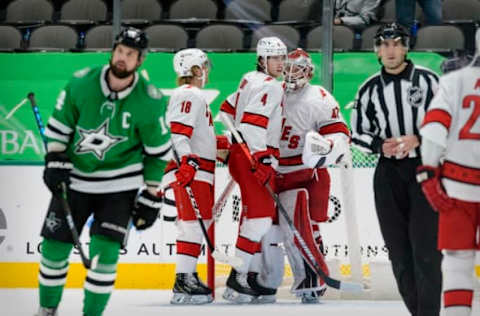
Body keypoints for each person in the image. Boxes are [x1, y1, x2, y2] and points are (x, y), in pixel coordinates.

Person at [37, 27, 170, 316]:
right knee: (53, 250)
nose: (123, 58)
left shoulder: (150, 99)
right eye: (120, 51)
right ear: (113, 52)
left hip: (118, 186)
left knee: (105, 255)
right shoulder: (81, 83)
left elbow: (158, 154)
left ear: (140, 60)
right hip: (75, 180)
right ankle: (47, 310)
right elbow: (59, 128)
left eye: (130, 54)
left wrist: (151, 194)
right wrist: (55, 158)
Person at [350, 22, 442, 316]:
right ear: (377, 50)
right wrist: (379, 145)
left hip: (424, 170)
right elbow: (358, 133)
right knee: (399, 254)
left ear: (405, 47)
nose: (390, 50)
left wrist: (421, 138)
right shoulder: (369, 89)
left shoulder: (429, 82)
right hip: (388, 174)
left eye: (395, 44)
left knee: (426, 253)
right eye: (384, 45)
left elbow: (449, 124)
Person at [276, 48, 350, 303]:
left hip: (306, 173)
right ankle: (262, 280)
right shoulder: (272, 92)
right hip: (272, 171)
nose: (290, 73)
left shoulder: (319, 96)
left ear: (308, 71)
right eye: (287, 67)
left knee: (302, 224)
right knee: (267, 229)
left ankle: (312, 276)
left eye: (296, 68)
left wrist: (329, 146)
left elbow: (340, 133)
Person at [416, 29, 480, 316]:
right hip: (458, 184)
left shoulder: (454, 81)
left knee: (456, 261)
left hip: (457, 186)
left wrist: (428, 174)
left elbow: (433, 131)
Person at [219, 36, 286, 303]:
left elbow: (226, 109)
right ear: (262, 59)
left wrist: (236, 144)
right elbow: (252, 125)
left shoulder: (248, 79)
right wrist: (262, 158)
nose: (281, 63)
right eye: (275, 58)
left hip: (242, 154)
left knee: (255, 218)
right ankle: (238, 276)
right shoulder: (270, 85)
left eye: (283, 57)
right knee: (259, 218)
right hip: (254, 156)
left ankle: (245, 275)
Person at [163, 48, 216, 305]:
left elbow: (193, 134)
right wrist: (186, 161)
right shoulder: (189, 93)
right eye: (203, 66)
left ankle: (187, 277)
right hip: (192, 168)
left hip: (198, 167)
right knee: (192, 224)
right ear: (194, 69)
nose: (206, 71)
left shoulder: (193, 95)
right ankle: (184, 280)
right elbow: (178, 132)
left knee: (197, 222)